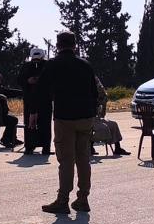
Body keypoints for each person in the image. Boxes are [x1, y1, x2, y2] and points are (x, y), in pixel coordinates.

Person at [38, 31, 104, 213]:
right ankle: (83, 198)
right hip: (86, 117)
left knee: (66, 160)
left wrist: (37, 110)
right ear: (74, 45)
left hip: (65, 117)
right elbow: (95, 92)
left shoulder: (53, 64)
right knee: (83, 158)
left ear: (58, 45)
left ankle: (62, 200)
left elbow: (42, 90)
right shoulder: (85, 65)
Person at [18, 48, 52, 156]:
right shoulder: (26, 66)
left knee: (45, 124)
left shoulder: (47, 65)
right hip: (30, 99)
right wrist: (28, 81)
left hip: (44, 99)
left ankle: (45, 148)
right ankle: (29, 147)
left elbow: (52, 79)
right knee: (29, 124)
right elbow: (19, 80)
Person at [92, 90, 127, 156]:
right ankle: (90, 147)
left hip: (98, 118)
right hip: (90, 119)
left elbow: (102, 94)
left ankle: (117, 148)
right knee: (103, 127)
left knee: (114, 124)